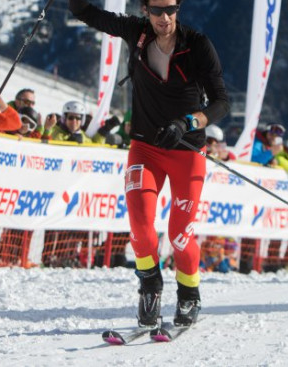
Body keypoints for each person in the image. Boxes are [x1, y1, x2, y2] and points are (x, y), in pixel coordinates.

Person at [69, 0, 230, 328]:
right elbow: (85, 12)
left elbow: (222, 102)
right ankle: (150, 290)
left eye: (171, 9)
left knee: (179, 235)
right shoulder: (136, 32)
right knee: (141, 228)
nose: (165, 17)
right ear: (145, 10)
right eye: (157, 10)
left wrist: (189, 122)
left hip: (187, 149)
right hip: (145, 147)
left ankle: (189, 294)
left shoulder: (198, 45)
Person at [42, 101, 108, 144]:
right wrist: (67, 145)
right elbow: (44, 146)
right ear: (64, 119)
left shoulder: (83, 136)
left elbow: (95, 149)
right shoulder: (54, 131)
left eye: (78, 118)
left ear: (82, 120)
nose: (74, 121)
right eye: (71, 118)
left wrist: (103, 132)